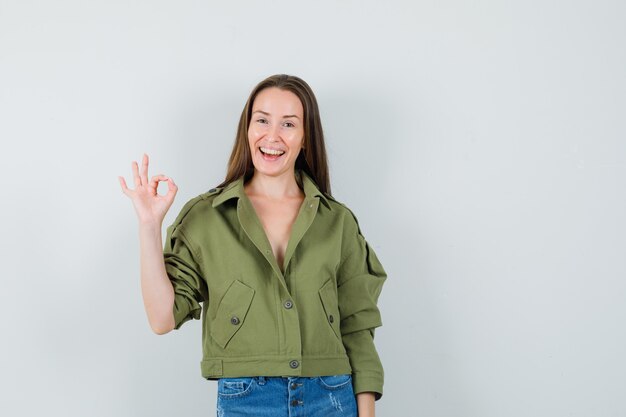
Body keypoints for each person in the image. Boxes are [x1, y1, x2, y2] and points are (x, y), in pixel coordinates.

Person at [119, 74, 387, 417]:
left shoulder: (338, 222)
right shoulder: (206, 217)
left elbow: (358, 329)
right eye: (262, 120)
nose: (272, 136)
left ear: (305, 138)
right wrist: (148, 226)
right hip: (247, 400)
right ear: (247, 129)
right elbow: (161, 318)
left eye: (288, 124)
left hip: (331, 397)